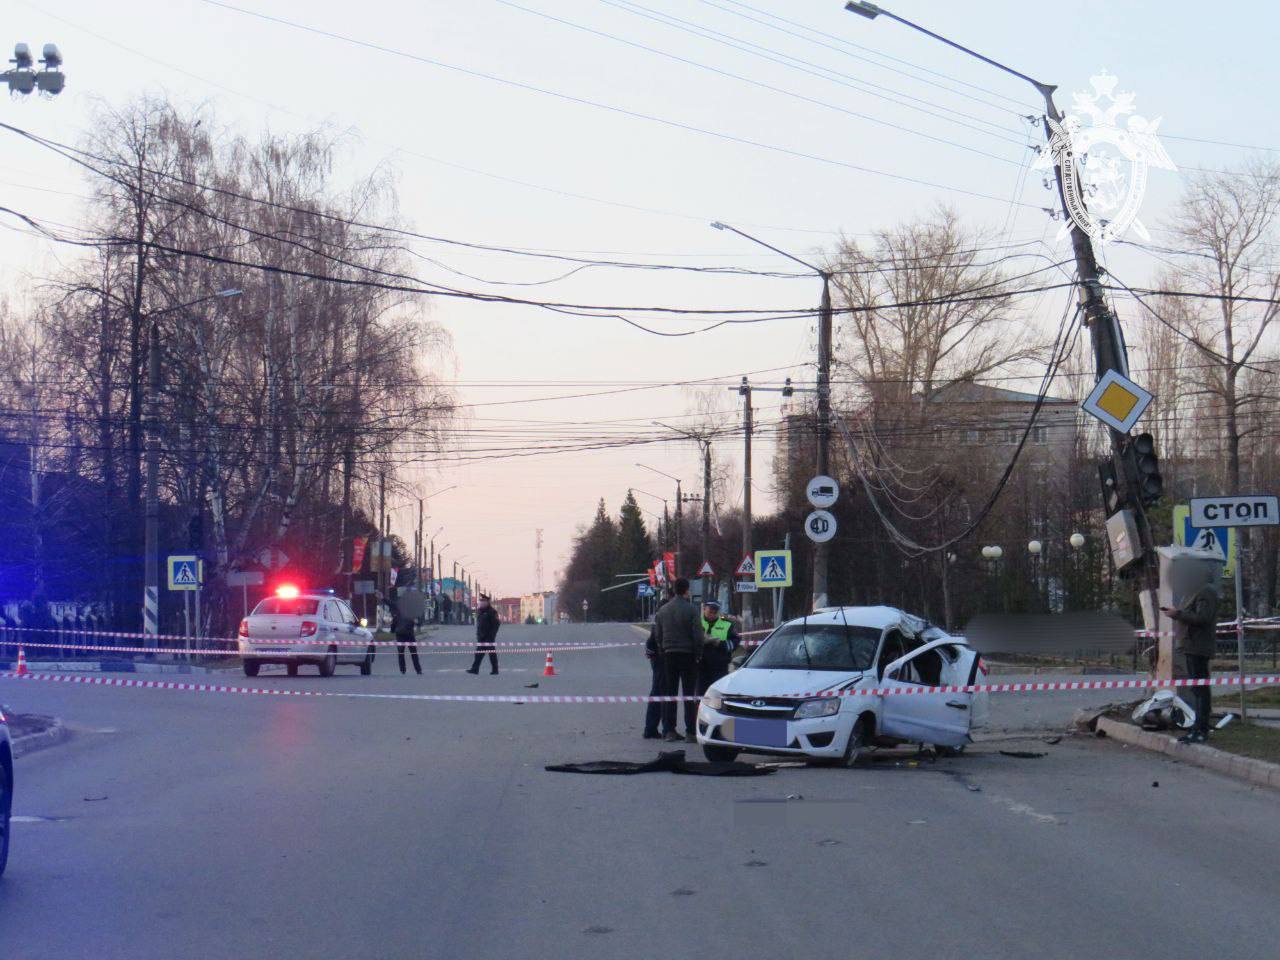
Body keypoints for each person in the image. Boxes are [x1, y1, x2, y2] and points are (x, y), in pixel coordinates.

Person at [1162, 580, 1220, 743]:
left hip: (1197, 646)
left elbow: (1202, 618)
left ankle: (1201, 729)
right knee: (1197, 689)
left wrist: (1177, 614)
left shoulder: (1205, 591)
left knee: (1200, 689)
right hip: (1190, 645)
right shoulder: (1194, 591)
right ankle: (1198, 727)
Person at [653, 578, 704, 743]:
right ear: (686, 590)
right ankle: (690, 732)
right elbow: (698, 635)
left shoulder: (663, 611)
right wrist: (698, 654)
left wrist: (662, 650)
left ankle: (669, 731)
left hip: (669, 655)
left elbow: (658, 635)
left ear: (674, 590)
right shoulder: (692, 610)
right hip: (688, 655)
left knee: (670, 693)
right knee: (689, 695)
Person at [642, 588, 674, 740]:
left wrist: (651, 654)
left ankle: (654, 728)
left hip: (658, 659)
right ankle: (654, 729)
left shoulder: (661, 613)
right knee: (660, 693)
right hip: (661, 660)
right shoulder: (664, 614)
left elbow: (650, 644)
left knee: (659, 693)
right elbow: (653, 640)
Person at [698, 600, 740, 695]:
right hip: (701, 666)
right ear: (704, 609)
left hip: (720, 667)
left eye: (715, 612)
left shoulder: (727, 624)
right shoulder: (697, 622)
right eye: (710, 612)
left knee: (717, 695)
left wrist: (720, 644)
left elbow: (735, 642)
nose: (712, 614)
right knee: (701, 696)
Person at [390, 587, 422, 675]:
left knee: (401, 653)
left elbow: (395, 618)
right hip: (408, 633)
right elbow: (417, 619)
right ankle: (418, 670)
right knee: (413, 653)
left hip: (400, 633)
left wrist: (392, 630)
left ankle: (403, 670)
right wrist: (418, 624)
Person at [467, 594, 501, 675]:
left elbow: (496, 624)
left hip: (489, 637)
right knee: (478, 654)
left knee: (492, 654)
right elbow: (479, 624)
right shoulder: (480, 611)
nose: (481, 602)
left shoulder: (492, 612)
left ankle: (495, 670)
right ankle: (475, 669)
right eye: (481, 601)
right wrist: (478, 635)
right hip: (481, 637)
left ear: (487, 602)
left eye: (483, 601)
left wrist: (492, 635)